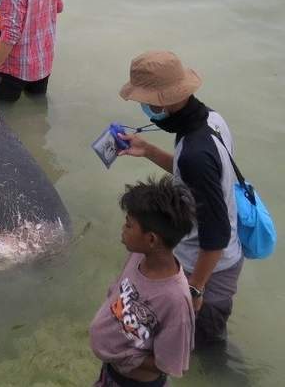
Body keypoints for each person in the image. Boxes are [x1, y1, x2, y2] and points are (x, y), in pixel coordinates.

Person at [117, 51, 244, 351]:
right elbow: (194, 175)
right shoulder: (210, 119)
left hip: (208, 267)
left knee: (204, 351)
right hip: (217, 258)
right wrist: (148, 150)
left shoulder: (195, 154)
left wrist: (196, 289)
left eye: (145, 102)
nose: (144, 108)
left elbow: (216, 234)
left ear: (162, 102)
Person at [89, 176, 196, 386]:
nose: (123, 229)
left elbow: (170, 362)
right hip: (111, 373)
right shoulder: (139, 256)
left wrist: (125, 354)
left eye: (129, 225)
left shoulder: (175, 300)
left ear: (151, 239)